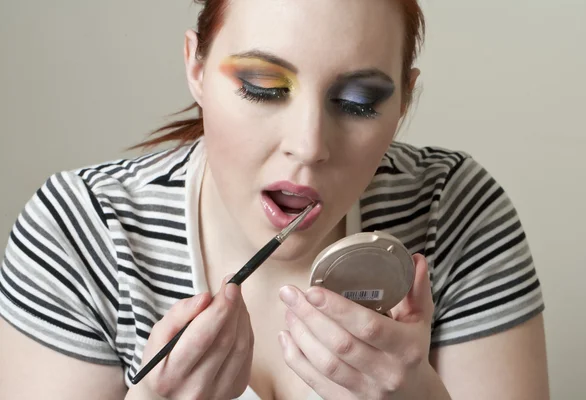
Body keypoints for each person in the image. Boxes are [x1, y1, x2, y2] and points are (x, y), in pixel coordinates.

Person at [0, 0, 550, 399]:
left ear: (403, 100)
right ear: (195, 67)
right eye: (264, 87)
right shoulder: (80, 228)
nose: (309, 147)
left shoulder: (454, 209)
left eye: (358, 102)